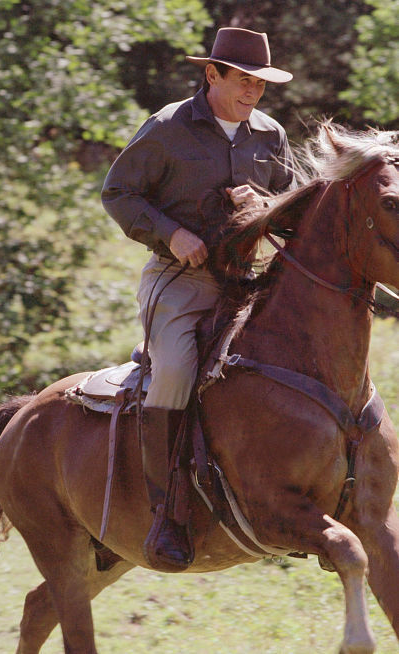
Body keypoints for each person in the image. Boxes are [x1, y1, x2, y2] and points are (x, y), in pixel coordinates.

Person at [101, 27, 295, 570]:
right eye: (244, 81)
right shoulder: (167, 128)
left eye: (262, 83)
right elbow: (118, 193)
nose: (254, 92)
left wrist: (266, 203)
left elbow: (289, 206)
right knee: (178, 369)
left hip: (246, 280)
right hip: (178, 282)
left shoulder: (270, 135)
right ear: (212, 74)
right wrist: (171, 233)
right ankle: (166, 510)